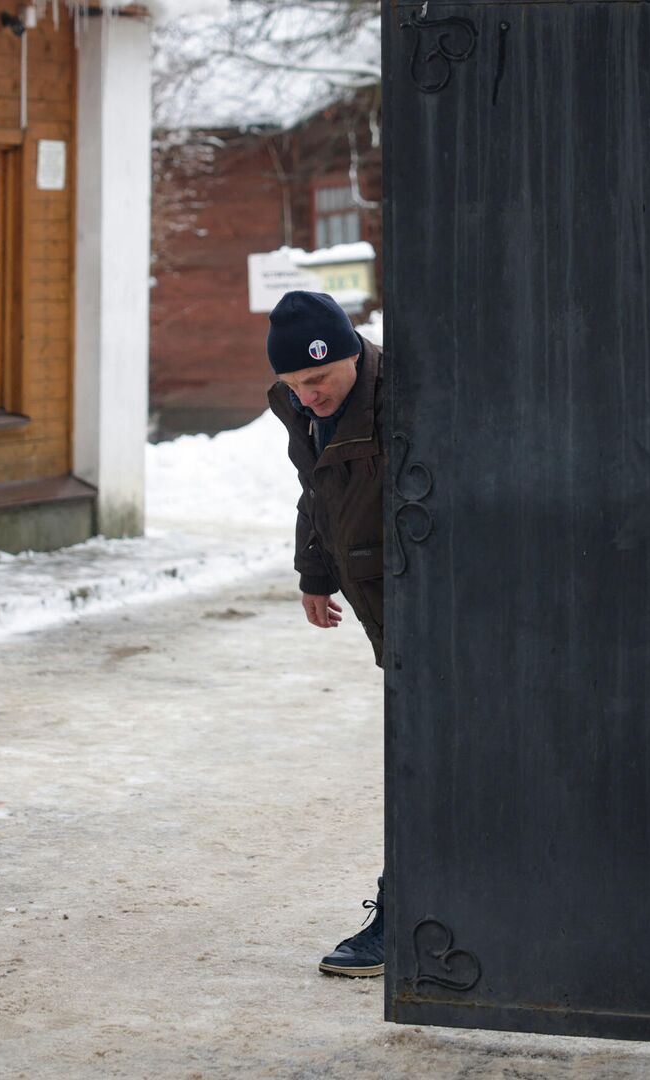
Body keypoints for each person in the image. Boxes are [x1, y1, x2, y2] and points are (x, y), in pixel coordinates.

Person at [264, 290, 387, 978]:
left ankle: (412, 913)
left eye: (320, 379)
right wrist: (315, 573)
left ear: (352, 356)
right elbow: (317, 491)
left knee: (423, 766)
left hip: (427, 601)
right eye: (295, 384)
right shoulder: (298, 410)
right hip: (375, 600)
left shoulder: (398, 394)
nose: (310, 395)